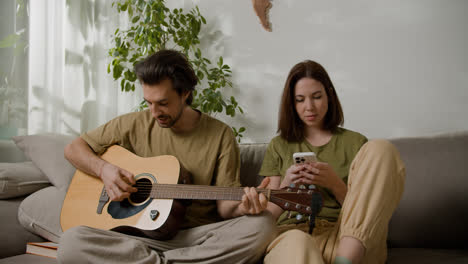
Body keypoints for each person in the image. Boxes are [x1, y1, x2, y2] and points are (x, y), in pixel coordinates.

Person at [58, 49, 277, 264]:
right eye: (148, 103)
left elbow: (224, 207)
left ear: (185, 93)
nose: (154, 113)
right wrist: (104, 170)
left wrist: (244, 207)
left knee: (263, 225)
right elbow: (73, 149)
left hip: (197, 238)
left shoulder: (221, 135)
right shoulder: (132, 123)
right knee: (71, 242)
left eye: (163, 103)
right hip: (134, 236)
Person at [259, 60, 405, 264]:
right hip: (292, 237)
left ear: (329, 95)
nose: (309, 107)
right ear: (291, 104)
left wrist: (335, 184)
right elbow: (268, 218)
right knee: (297, 242)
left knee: (382, 148)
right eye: (300, 100)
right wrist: (287, 188)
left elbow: (366, 211)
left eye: (317, 97)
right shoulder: (278, 145)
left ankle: (345, 259)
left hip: (348, 239)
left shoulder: (356, 143)